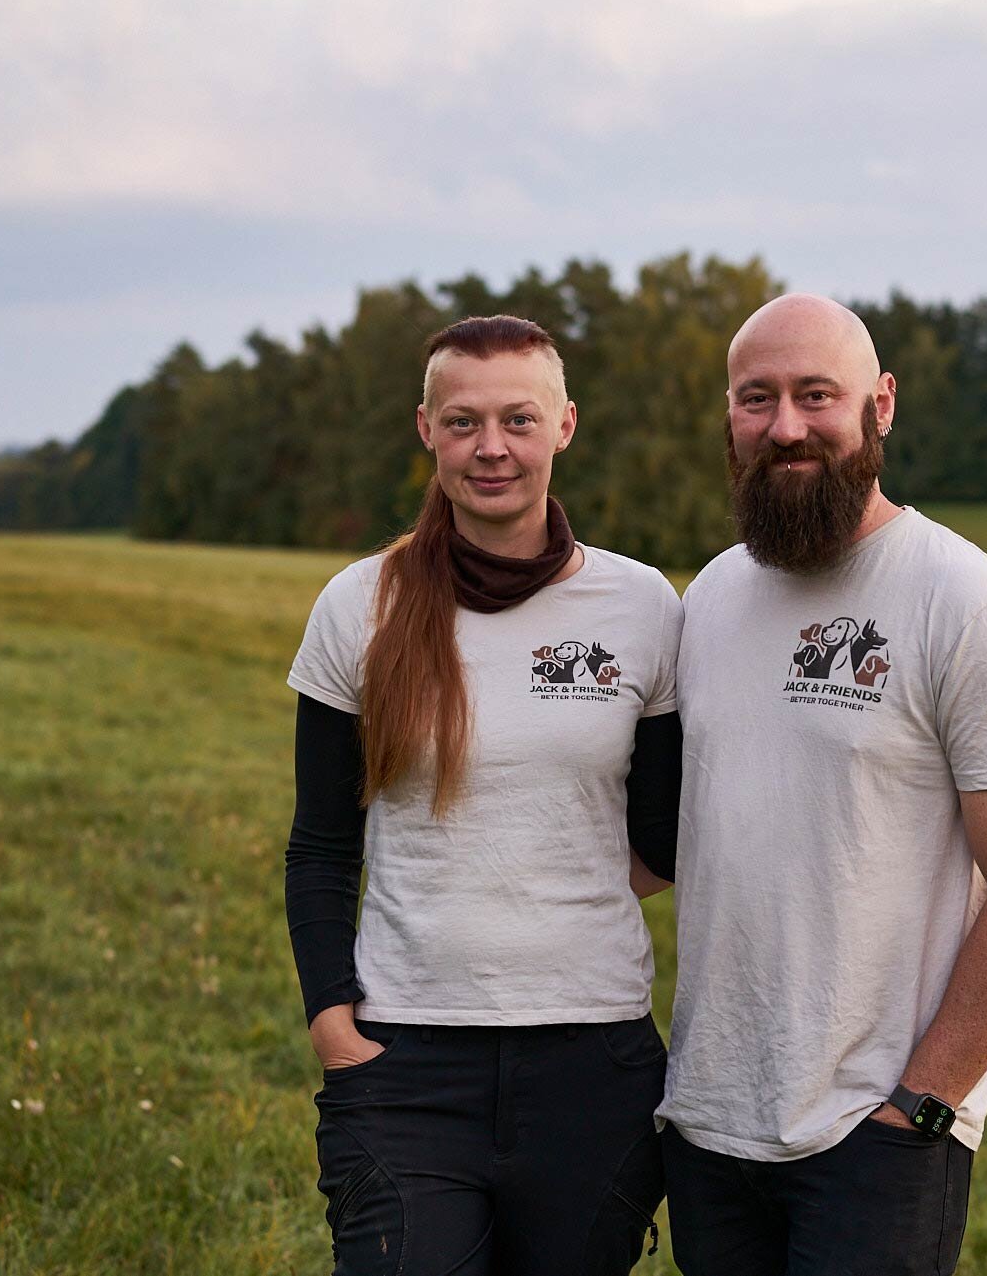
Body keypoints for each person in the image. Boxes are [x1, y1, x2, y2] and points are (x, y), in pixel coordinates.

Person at [657, 294, 987, 1274]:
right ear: (730, 417)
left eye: (817, 395)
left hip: (879, 1135)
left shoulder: (969, 605)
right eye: (757, 399)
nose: (786, 426)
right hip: (712, 1122)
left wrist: (924, 1104)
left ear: (880, 405)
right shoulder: (711, 598)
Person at [283, 315, 683, 1274]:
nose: (491, 447)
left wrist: (546, 877)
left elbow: (668, 833)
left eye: (518, 419)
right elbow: (323, 847)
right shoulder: (359, 605)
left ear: (565, 426)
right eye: (463, 422)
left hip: (593, 1059)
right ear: (426, 429)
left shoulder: (642, 607)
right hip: (407, 1060)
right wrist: (334, 1020)